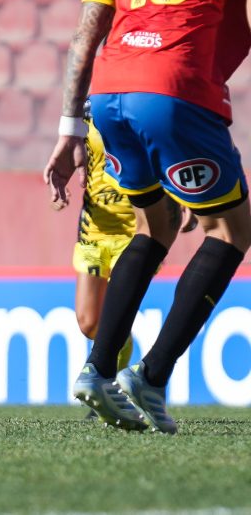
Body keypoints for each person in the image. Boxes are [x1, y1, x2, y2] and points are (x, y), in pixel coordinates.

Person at [44, 0, 251, 434]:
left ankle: (97, 370)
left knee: (153, 224)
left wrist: (69, 125)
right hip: (176, 92)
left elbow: (87, 33)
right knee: (232, 229)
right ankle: (152, 377)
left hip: (110, 97)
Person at [54, 107, 193, 420]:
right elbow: (73, 154)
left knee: (116, 302)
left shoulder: (138, 107)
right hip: (95, 227)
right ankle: (114, 356)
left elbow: (166, 149)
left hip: (139, 226)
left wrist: (182, 197)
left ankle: (106, 382)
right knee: (89, 322)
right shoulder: (84, 114)